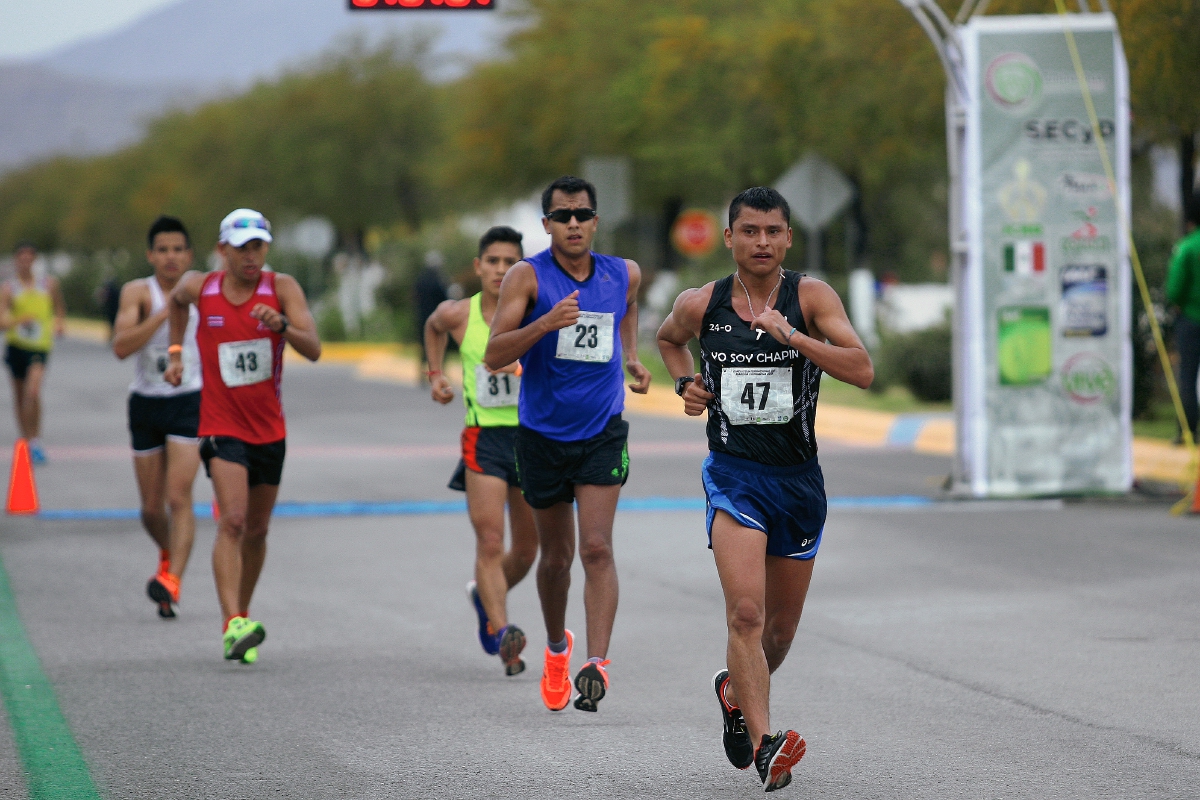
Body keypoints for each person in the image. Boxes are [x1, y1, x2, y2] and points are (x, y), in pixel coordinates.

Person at [655, 187, 873, 791]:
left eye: (773, 231)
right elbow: (669, 341)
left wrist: (794, 338)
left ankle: (734, 689)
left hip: (799, 482)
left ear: (788, 238)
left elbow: (862, 370)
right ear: (729, 238)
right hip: (733, 476)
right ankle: (765, 746)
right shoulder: (704, 304)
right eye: (749, 231)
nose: (761, 242)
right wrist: (685, 385)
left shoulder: (811, 297)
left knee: (777, 632)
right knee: (745, 613)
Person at [485, 176, 652, 712]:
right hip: (542, 436)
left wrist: (629, 356)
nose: (573, 223)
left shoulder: (623, 273)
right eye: (563, 216)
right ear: (547, 225)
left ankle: (596, 664)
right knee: (555, 558)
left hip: (602, 429)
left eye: (582, 214)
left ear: (596, 221)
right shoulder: (526, 277)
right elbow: (493, 354)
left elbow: (625, 311)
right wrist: (545, 324)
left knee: (596, 547)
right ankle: (558, 648)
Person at [164, 208, 321, 663]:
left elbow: (314, 349)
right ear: (222, 250)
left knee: (257, 528)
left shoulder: (282, 288)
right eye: (241, 248)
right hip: (220, 426)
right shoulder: (201, 286)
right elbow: (175, 300)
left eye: (258, 247)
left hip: (270, 429)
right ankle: (232, 622)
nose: (251, 257)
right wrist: (176, 351)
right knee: (232, 520)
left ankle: (242, 615)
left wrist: (283, 327)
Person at [425, 226, 538, 676]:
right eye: (493, 261)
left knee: (527, 551)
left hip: (532, 439)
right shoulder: (458, 314)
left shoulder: (536, 313)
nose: (500, 270)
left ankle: (484, 597)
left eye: (511, 262)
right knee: (491, 540)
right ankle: (502, 627)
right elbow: (433, 326)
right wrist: (435, 374)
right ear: (478, 266)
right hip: (484, 437)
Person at [111, 216, 203, 619]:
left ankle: (172, 580)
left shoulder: (202, 289)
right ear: (150, 255)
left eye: (178, 249)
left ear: (189, 255)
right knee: (150, 510)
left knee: (177, 497)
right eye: (162, 250)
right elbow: (120, 346)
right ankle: (168, 552)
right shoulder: (138, 293)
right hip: (147, 402)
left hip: (190, 399)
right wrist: (166, 315)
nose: (171, 257)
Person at [0, 242, 66, 465]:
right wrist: (19, 320)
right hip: (16, 345)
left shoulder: (49, 284)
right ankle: (26, 439)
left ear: (35, 260)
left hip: (39, 346)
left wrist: (59, 323)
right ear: (16, 261)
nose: (25, 262)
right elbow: (2, 321)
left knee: (32, 391)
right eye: (21, 258)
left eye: (30, 258)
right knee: (19, 396)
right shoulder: (9, 288)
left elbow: (59, 308)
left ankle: (35, 439)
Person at [1166, 199, 1200, 442]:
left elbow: (1174, 289)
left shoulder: (1187, 247)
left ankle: (1187, 431)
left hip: (1191, 318)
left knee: (1187, 376)